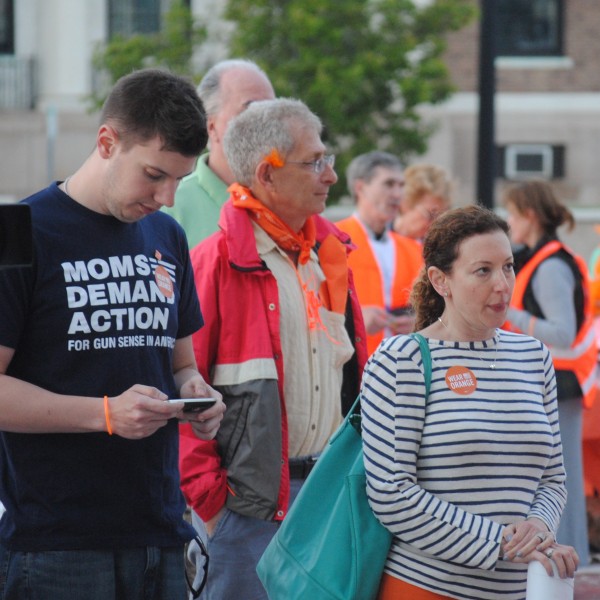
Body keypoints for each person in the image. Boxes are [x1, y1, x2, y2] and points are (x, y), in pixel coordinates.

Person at [0, 68, 226, 600]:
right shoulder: (21, 230)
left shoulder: (166, 234)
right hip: (55, 541)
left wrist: (196, 395)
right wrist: (104, 414)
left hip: (160, 529)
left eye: (179, 180)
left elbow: (180, 365)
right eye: (154, 175)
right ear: (107, 142)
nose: (167, 196)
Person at [178, 98, 368, 599]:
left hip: (327, 498)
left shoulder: (330, 255)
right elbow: (179, 388)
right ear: (267, 173)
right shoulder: (215, 263)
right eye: (315, 161)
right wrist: (213, 505)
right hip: (247, 514)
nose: (330, 175)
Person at [360, 205, 579, 600]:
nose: (503, 284)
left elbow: (553, 478)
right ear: (440, 280)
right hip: (427, 587)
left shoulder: (533, 355)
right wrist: (502, 542)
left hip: (522, 589)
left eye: (508, 267)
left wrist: (539, 527)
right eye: (483, 271)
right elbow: (391, 492)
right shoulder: (401, 359)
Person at [503, 180, 596, 567]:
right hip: (554, 381)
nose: (507, 222)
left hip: (560, 382)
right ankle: (570, 555)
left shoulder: (551, 265)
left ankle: (573, 557)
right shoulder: (543, 259)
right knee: (557, 475)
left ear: (529, 215)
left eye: (510, 213)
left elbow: (562, 331)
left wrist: (506, 311)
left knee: (561, 477)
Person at [164, 59, 275, 247]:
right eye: (252, 110)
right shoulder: (169, 207)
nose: (267, 123)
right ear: (211, 126)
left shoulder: (290, 203)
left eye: (273, 111)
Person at [336, 151, 423, 356]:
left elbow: (436, 309)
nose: (397, 194)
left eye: (401, 186)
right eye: (388, 184)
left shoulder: (414, 249)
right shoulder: (332, 242)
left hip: (404, 367)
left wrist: (420, 322)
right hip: (352, 367)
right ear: (360, 188)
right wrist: (353, 320)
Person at [393, 162, 453, 240]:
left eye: (441, 219)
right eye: (430, 215)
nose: (435, 226)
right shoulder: (378, 241)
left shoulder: (436, 247)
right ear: (405, 204)